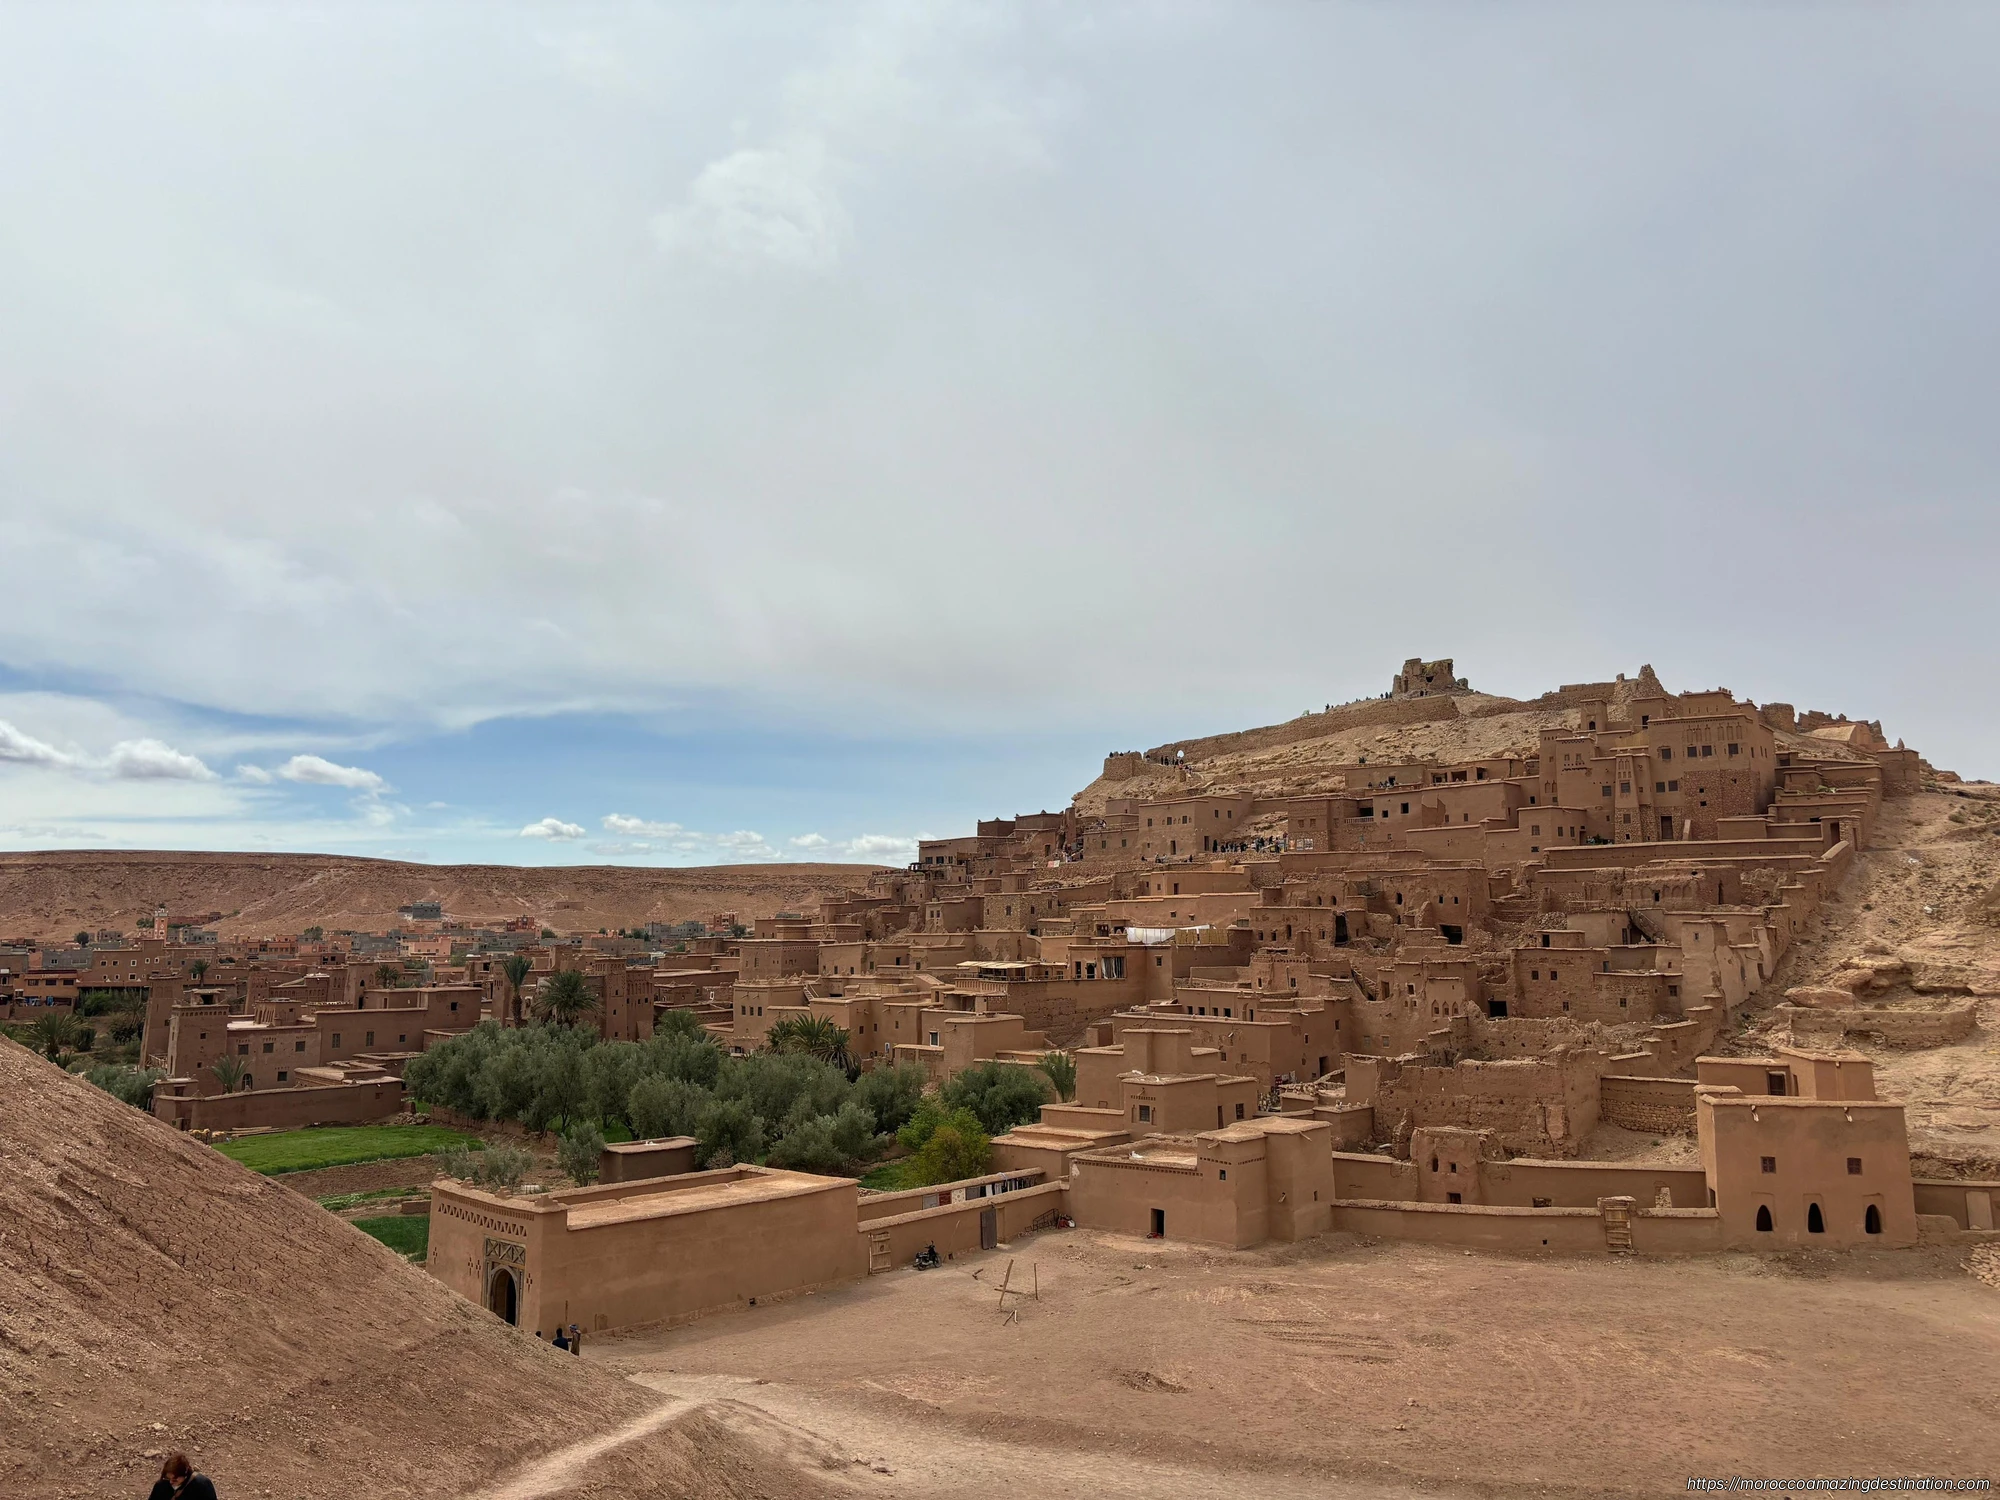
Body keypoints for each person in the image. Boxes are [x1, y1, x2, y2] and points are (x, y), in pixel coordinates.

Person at [147, 1452, 218, 1500]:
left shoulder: (202, 1485)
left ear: (185, 1474)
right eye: (168, 1478)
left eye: (175, 1479)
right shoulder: (161, 1485)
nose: (171, 1482)